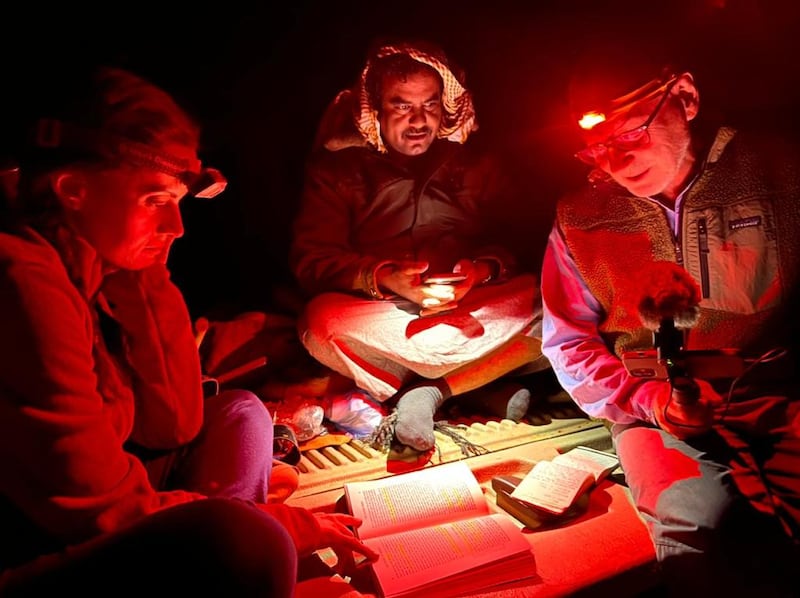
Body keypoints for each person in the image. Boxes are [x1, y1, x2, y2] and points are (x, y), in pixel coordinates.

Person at [0, 64, 377, 597]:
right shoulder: (22, 281)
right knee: (246, 542)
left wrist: (143, 267)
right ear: (72, 190)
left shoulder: (87, 263)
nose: (177, 228)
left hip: (94, 502)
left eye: (178, 203)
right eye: (156, 201)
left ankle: (233, 535)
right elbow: (101, 510)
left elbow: (174, 423)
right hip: (28, 548)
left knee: (240, 411)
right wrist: (279, 527)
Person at [540, 37, 800, 596]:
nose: (616, 160)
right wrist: (653, 403)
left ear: (684, 96)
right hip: (655, 408)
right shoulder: (581, 216)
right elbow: (567, 342)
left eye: (630, 132)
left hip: (779, 388)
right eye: (597, 147)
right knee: (695, 535)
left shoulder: (784, 175)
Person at [289, 39, 549, 455]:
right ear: (376, 107)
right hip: (389, 316)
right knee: (320, 323)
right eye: (402, 106)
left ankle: (430, 393)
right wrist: (384, 278)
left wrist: (482, 269)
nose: (418, 120)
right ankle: (476, 385)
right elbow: (312, 259)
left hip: (469, 307)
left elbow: (520, 238)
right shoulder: (339, 169)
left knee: (552, 303)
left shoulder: (474, 162)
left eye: (429, 104)